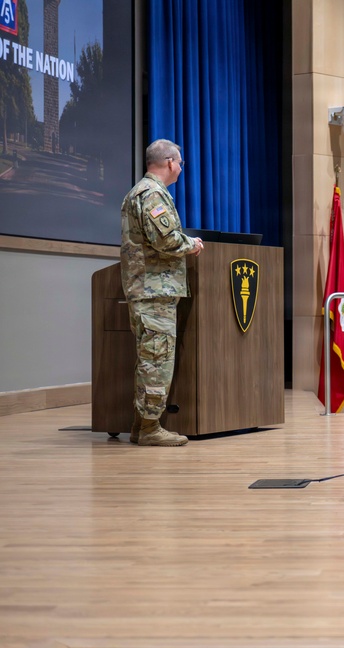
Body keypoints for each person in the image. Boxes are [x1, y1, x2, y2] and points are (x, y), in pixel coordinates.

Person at [120, 139, 204, 446]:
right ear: (169, 162)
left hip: (150, 290)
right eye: (180, 163)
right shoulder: (152, 193)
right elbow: (166, 240)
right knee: (157, 360)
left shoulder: (143, 192)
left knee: (150, 358)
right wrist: (191, 245)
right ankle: (150, 429)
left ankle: (141, 425)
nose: (181, 168)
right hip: (154, 291)